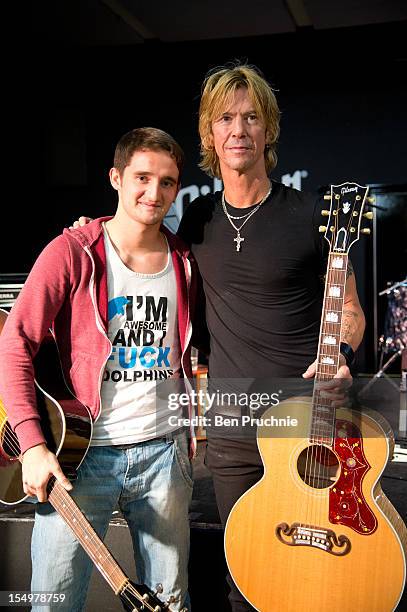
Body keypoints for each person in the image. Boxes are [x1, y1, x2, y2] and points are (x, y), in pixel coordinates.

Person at [71, 62, 366, 612]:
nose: (239, 130)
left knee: (322, 567)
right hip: (231, 432)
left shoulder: (309, 214)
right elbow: (131, 247)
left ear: (268, 129)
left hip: (309, 424)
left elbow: (350, 309)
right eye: (226, 118)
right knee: (246, 574)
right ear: (210, 132)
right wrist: (88, 233)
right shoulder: (197, 219)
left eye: (252, 117)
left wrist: (342, 352)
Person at [0, 127, 199, 611]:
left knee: (170, 602)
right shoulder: (72, 251)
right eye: (142, 177)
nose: (155, 193)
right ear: (115, 177)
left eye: (168, 182)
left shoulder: (183, 260)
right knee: (55, 600)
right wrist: (30, 445)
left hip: (163, 456)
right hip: (80, 458)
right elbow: (15, 342)